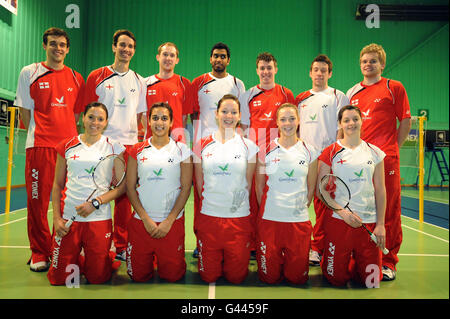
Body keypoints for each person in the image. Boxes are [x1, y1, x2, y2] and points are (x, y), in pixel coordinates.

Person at [14, 27, 85, 272]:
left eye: (63, 44)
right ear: (45, 45)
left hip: (68, 150)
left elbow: (76, 115)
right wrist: (39, 129)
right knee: (38, 202)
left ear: (68, 48)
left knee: (66, 203)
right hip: (40, 147)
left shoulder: (77, 78)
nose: (58, 48)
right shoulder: (29, 73)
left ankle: (60, 247)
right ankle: (39, 252)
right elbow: (24, 110)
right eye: (53, 44)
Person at [346, 43, 411, 281]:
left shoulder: (394, 88)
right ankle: (363, 256)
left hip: (386, 161)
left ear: (382, 64)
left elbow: (405, 121)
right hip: (359, 162)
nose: (368, 65)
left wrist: (392, 151)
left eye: (373, 61)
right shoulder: (352, 92)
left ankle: (389, 262)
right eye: (364, 61)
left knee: (390, 211)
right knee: (361, 208)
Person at [84, 29, 147, 261]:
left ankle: (120, 245)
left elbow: (142, 117)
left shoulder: (140, 81)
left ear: (134, 50)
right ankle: (93, 242)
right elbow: (87, 114)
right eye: (122, 45)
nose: (126, 49)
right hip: (101, 146)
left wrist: (140, 146)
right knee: (96, 193)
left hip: (128, 147)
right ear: (114, 47)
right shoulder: (96, 76)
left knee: (123, 199)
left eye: (130, 46)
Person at [47, 102, 126, 285]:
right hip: (69, 219)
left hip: (98, 219)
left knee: (98, 279)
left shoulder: (114, 147)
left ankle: (103, 256)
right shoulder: (66, 145)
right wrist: (57, 219)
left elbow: (121, 187)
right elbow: (57, 185)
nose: (94, 122)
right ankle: (78, 258)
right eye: (91, 117)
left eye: (100, 119)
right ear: (83, 118)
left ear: (106, 123)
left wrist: (96, 202)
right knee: (60, 280)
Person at [317, 104, 386, 287]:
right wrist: (343, 212)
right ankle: (334, 259)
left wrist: (380, 225)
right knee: (335, 279)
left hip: (368, 221)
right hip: (339, 220)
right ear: (340, 124)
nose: (351, 123)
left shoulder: (375, 152)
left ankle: (357, 261)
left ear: (362, 121)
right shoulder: (330, 152)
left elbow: (380, 189)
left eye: (355, 119)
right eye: (346, 120)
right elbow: (321, 190)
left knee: (371, 281)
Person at [193, 94, 258, 284]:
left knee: (237, 278)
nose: (228, 116)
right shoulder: (201, 145)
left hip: (238, 219)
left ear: (239, 116)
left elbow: (247, 184)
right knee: (208, 277)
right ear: (216, 114)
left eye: (233, 112)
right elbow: (199, 183)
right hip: (209, 218)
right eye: (224, 111)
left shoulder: (249, 146)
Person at [188, 42, 246, 257]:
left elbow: (241, 116)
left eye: (222, 56)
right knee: (201, 194)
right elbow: (193, 116)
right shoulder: (199, 82)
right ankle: (200, 240)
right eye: (215, 56)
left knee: (229, 192)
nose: (219, 59)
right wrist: (196, 145)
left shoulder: (237, 84)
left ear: (228, 60)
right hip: (204, 149)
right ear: (210, 59)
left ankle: (231, 238)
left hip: (230, 148)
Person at [126, 102, 192, 283]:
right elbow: (130, 187)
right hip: (142, 222)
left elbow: (186, 187)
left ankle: (163, 257)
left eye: (164, 118)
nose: (159, 122)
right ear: (148, 121)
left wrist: (169, 221)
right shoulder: (137, 150)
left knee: (173, 276)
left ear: (171, 123)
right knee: (137, 277)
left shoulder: (182, 150)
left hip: (171, 223)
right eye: (155, 118)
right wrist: (146, 220)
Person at [254, 103, 318, 284]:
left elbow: (311, 187)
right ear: (277, 122)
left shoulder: (310, 151)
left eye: (291, 119)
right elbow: (259, 187)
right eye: (283, 119)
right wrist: (269, 209)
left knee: (297, 279)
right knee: (269, 278)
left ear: (298, 121)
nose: (287, 123)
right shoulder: (264, 150)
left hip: (298, 221)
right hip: (270, 220)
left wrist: (299, 208)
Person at [295, 54, 349, 266]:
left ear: (330, 73)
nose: (319, 73)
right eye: (315, 69)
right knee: (303, 204)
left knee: (325, 206)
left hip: (328, 161)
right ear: (310, 72)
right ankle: (300, 245)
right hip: (305, 161)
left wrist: (334, 160)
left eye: (323, 70)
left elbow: (342, 131)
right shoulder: (300, 99)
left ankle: (318, 248)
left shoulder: (338, 96)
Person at [239, 52, 295, 254]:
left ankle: (276, 242)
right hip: (255, 158)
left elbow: (293, 127)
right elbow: (244, 128)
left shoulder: (286, 94)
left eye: (269, 67)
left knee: (276, 200)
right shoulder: (248, 95)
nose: (266, 72)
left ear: (275, 69)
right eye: (262, 68)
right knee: (253, 203)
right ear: (257, 70)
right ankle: (254, 245)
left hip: (279, 159)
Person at [144, 42, 192, 143]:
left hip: (176, 142)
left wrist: (178, 137)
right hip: (151, 142)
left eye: (172, 55)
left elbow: (184, 117)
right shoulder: (145, 83)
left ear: (177, 60)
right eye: (165, 54)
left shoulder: (184, 83)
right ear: (158, 57)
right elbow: (143, 116)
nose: (168, 58)